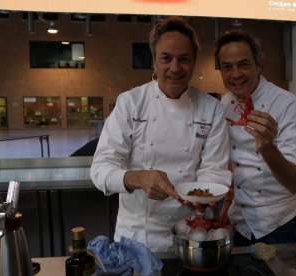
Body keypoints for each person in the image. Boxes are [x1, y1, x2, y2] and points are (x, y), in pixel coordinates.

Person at [90, 16, 232, 252]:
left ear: (194, 62)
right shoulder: (131, 102)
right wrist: (139, 178)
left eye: (184, 59)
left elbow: (214, 171)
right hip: (136, 234)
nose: (175, 68)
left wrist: (201, 202)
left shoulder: (211, 108)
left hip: (190, 232)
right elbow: (101, 169)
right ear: (154, 61)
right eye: (166, 58)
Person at [215, 30, 296, 246]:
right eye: (227, 67)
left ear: (259, 66)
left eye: (244, 64)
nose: (235, 74)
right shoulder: (225, 103)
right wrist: (227, 202)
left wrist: (267, 147)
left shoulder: (287, 105)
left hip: (279, 223)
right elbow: (233, 162)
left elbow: (295, 183)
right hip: (239, 220)